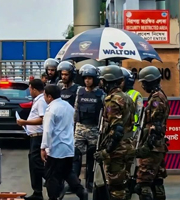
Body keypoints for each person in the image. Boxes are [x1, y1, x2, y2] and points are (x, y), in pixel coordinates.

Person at [41, 84, 89, 200]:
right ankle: (81, 191)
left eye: (44, 95)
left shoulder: (51, 110)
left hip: (56, 148)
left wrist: (43, 147)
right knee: (67, 172)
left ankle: (53, 197)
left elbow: (47, 131)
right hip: (68, 147)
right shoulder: (67, 106)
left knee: (51, 175)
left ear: (49, 97)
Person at [95, 65, 136, 200]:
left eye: (102, 80)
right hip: (128, 146)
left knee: (116, 189)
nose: (100, 83)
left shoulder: (111, 100)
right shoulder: (127, 97)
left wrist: (106, 151)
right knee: (124, 185)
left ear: (108, 81)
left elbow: (117, 130)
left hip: (117, 150)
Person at [135, 66, 168, 200]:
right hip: (156, 146)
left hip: (152, 147)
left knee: (143, 184)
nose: (142, 85)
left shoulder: (156, 99)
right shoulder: (157, 96)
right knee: (157, 181)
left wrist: (146, 147)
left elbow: (156, 125)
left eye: (144, 82)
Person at [72, 64, 103, 193]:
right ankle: (75, 183)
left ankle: (89, 182)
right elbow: (76, 108)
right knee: (76, 156)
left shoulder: (100, 94)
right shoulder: (80, 91)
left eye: (90, 78)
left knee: (91, 157)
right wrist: (73, 125)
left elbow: (103, 113)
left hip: (94, 129)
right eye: (85, 78)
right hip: (80, 127)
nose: (87, 80)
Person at [17, 78, 48, 200]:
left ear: (34, 89)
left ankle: (56, 183)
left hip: (38, 137)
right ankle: (37, 193)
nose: (29, 91)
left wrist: (25, 122)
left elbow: (42, 119)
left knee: (37, 165)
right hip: (33, 137)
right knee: (34, 165)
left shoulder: (41, 101)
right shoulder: (38, 100)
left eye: (30, 88)